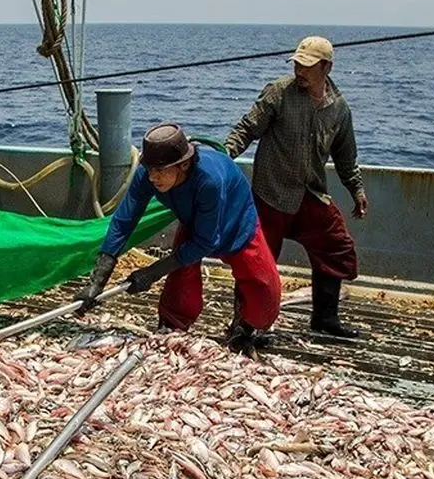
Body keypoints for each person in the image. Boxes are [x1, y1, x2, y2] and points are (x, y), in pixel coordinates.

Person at [76, 123, 282, 353]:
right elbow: (124, 221)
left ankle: (246, 328)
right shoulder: (148, 174)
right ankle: (172, 325)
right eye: (150, 169)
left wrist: (152, 273)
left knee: (262, 285)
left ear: (183, 164)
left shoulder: (209, 181)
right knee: (181, 275)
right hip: (195, 221)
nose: (153, 177)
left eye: (161, 171)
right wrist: (98, 280)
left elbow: (205, 242)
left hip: (236, 218)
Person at [225, 36, 368, 338]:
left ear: (326, 67)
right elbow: (247, 129)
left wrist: (356, 189)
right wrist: (224, 157)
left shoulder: (339, 109)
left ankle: (325, 319)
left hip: (310, 193)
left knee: (336, 247)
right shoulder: (279, 93)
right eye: (297, 65)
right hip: (271, 192)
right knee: (256, 259)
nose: (299, 71)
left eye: (307, 66)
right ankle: (244, 325)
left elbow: (346, 156)